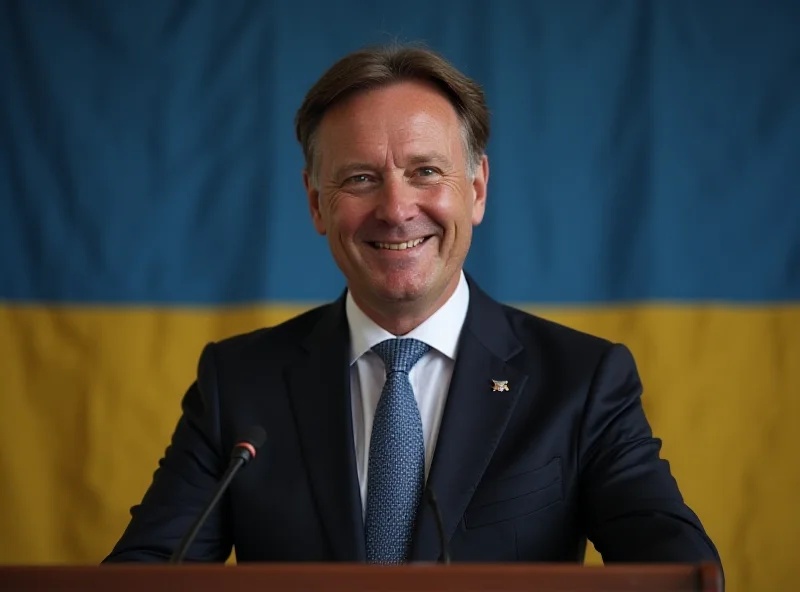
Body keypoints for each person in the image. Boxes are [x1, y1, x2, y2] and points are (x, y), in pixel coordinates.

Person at [104, 44, 722, 568]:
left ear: (476, 189)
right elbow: (148, 572)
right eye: (360, 179)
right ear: (317, 203)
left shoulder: (582, 381)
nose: (397, 209)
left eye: (426, 171)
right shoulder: (237, 385)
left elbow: (678, 568)